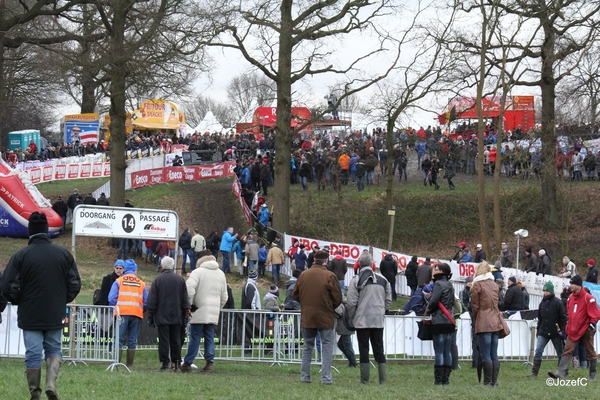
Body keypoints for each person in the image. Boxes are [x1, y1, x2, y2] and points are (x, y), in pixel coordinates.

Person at [0, 212, 81, 400]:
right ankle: (51, 384)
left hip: (30, 314)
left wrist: (17, 299)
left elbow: (5, 284)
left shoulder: (21, 255)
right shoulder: (63, 254)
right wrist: (62, 299)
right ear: (46, 230)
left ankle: (34, 393)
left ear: (30, 232)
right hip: (55, 312)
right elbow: (75, 283)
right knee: (54, 348)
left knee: (33, 352)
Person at [293, 251, 342, 384]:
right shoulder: (330, 276)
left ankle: (305, 377)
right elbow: (338, 299)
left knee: (307, 346)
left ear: (314, 260)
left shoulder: (303, 275)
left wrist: (306, 303)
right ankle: (326, 377)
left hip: (308, 315)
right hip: (325, 316)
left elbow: (295, 294)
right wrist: (328, 305)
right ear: (326, 261)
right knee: (327, 346)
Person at [347, 252, 391, 385]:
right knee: (379, 348)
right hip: (378, 320)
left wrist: (352, 316)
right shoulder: (384, 280)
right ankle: (382, 380)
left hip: (362, 320)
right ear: (372, 264)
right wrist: (380, 310)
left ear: (359, 264)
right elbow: (388, 300)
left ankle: (364, 380)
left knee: (363, 348)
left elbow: (351, 302)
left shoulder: (356, 280)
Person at [181, 253, 228, 373]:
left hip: (198, 309)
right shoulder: (221, 274)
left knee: (195, 337)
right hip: (213, 311)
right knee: (209, 337)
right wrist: (218, 308)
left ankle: (188, 362)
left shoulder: (198, 272)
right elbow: (225, 296)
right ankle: (209, 363)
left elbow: (189, 289)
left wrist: (189, 305)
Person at [549, 275, 600, 380]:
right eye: (570, 283)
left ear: (579, 285)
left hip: (586, 329)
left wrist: (591, 326)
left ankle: (592, 375)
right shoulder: (570, 298)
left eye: (572, 283)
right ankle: (561, 373)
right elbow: (570, 313)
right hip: (573, 329)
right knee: (567, 350)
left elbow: (595, 314)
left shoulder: (588, 298)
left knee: (590, 351)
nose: (570, 285)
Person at [147, 256, 190, 372]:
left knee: (164, 340)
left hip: (162, 315)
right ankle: (176, 363)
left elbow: (152, 299)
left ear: (162, 266)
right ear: (172, 266)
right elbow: (185, 298)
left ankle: (165, 362)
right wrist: (186, 311)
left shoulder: (158, 280)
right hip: (177, 315)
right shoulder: (180, 279)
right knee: (176, 339)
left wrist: (150, 315)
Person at [108, 259, 147, 369]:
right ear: (135, 270)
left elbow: (111, 298)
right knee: (132, 340)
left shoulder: (119, 281)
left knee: (119, 339)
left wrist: (114, 310)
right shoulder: (142, 283)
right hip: (136, 314)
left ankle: (117, 363)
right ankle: (129, 365)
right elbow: (146, 301)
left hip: (121, 313)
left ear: (125, 270)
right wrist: (140, 310)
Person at [471, 261, 504, 386]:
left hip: (484, 321)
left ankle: (487, 381)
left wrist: (476, 318)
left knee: (485, 353)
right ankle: (494, 381)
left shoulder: (478, 285)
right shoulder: (495, 285)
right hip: (495, 320)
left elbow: (475, 306)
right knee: (494, 353)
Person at [424, 263, 455, 385]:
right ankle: (446, 379)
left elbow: (434, 301)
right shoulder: (450, 284)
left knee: (439, 351)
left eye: (436, 269)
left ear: (441, 271)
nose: (434, 270)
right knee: (447, 350)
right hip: (449, 319)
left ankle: (438, 380)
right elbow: (452, 302)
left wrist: (429, 309)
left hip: (439, 320)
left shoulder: (438, 284)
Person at [528, 281, 567, 377]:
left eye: (547, 291)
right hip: (543, 331)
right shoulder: (542, 303)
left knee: (560, 352)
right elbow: (540, 318)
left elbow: (563, 318)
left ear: (551, 291)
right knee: (538, 351)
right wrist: (538, 330)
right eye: (544, 291)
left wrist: (563, 331)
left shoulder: (558, 302)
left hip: (555, 332)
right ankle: (534, 372)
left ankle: (562, 372)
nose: (545, 293)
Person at [334, 297, 357, 368]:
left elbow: (339, 312)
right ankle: (352, 361)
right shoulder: (346, 302)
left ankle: (353, 363)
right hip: (347, 325)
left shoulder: (338, 302)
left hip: (344, 326)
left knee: (347, 345)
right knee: (341, 344)